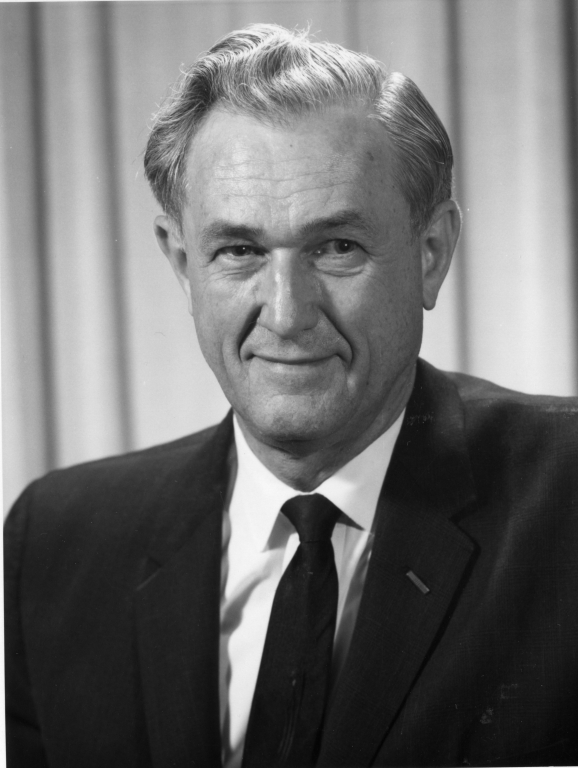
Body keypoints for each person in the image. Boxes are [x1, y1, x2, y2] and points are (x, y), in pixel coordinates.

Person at [4, 22, 578, 768]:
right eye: (239, 250)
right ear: (181, 263)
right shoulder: (55, 545)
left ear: (432, 254)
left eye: (337, 247)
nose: (285, 313)